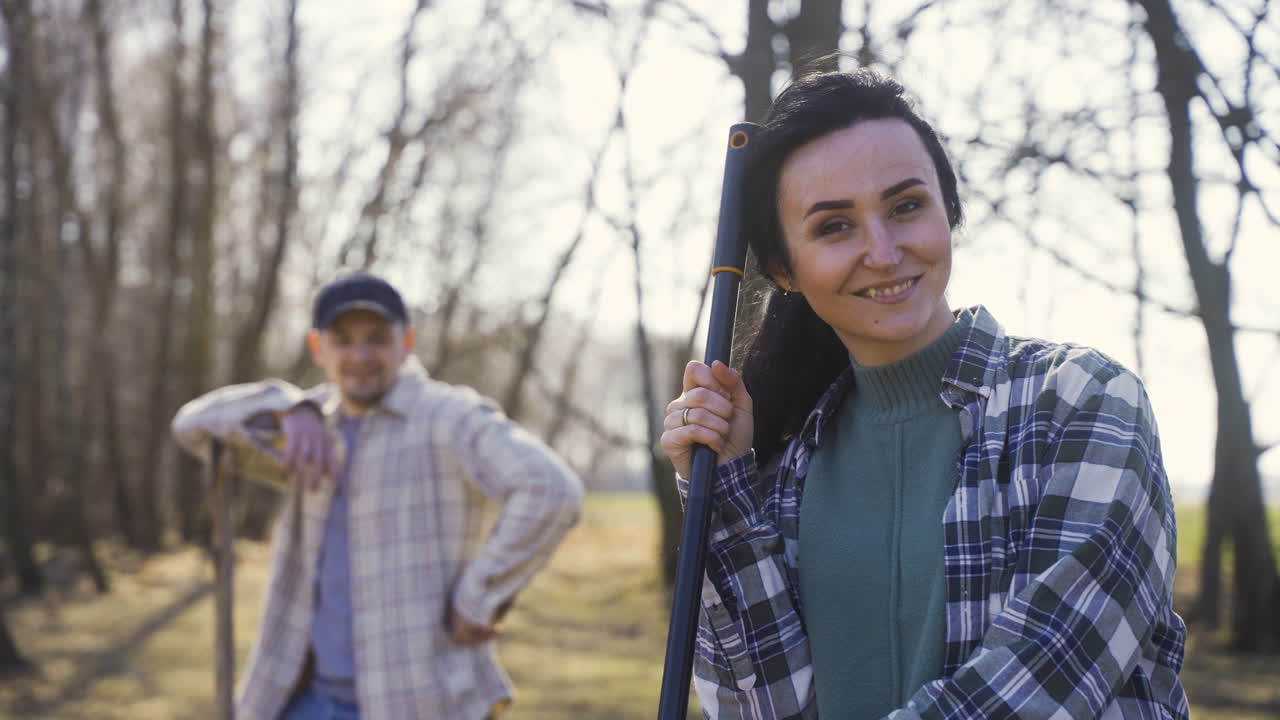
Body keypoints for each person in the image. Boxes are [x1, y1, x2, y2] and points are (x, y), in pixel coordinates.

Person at [661, 69, 1188, 719]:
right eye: (835, 226)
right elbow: (762, 709)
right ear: (783, 269)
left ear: (949, 211)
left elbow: (1041, 684)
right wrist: (726, 492)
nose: (884, 253)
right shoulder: (786, 469)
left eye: (906, 206)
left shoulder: (1080, 402)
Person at [172, 271, 583, 720]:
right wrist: (289, 408)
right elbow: (192, 427)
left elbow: (551, 490)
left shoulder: (448, 417)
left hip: (417, 703)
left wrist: (477, 599)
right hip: (303, 700)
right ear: (318, 348)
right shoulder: (308, 431)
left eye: (377, 339)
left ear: (407, 343)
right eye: (343, 340)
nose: (360, 356)